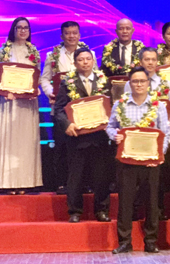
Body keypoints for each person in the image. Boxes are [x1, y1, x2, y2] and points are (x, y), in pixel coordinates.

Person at [107, 67, 170, 254]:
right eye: (135, 81)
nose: (139, 84)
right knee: (125, 202)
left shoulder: (158, 106)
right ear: (130, 83)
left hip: (151, 161)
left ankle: (151, 241)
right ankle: (125, 242)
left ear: (148, 83)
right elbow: (110, 127)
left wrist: (159, 156)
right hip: (127, 161)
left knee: (152, 202)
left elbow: (165, 134)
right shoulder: (120, 105)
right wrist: (115, 135)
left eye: (142, 81)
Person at [54, 47, 112, 223]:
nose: (85, 62)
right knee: (75, 176)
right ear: (75, 63)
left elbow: (113, 106)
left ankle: (102, 210)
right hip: (77, 137)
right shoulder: (67, 82)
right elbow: (58, 109)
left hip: (99, 137)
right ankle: (75, 211)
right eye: (81, 59)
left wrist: (110, 123)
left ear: (93, 61)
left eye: (88, 59)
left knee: (102, 176)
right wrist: (67, 124)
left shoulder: (103, 81)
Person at [40, 21, 96, 194]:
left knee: (85, 148)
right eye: (67, 33)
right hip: (61, 110)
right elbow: (44, 79)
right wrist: (51, 94)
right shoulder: (53, 55)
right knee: (61, 147)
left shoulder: (89, 54)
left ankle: (86, 183)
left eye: (74, 33)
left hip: (84, 111)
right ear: (62, 36)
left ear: (79, 35)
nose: (71, 36)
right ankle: (62, 183)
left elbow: (96, 77)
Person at [0, 17, 42, 194]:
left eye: (25, 28)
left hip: (28, 104)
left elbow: (37, 76)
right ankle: (8, 182)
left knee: (26, 141)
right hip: (10, 103)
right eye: (19, 27)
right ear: (13, 30)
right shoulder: (3, 51)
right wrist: (5, 92)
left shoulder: (33, 51)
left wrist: (35, 90)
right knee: (10, 140)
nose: (22, 30)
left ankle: (25, 182)